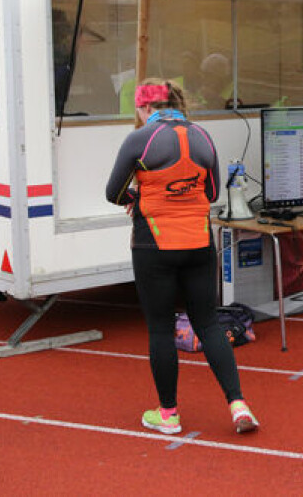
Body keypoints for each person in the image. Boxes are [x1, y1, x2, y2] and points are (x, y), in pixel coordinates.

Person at [105, 78, 258, 435]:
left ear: (144, 108)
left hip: (154, 246)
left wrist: (137, 198)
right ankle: (238, 405)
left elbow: (113, 192)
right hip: (199, 243)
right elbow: (212, 192)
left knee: (160, 329)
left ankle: (168, 414)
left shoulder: (139, 138)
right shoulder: (203, 136)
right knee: (208, 324)